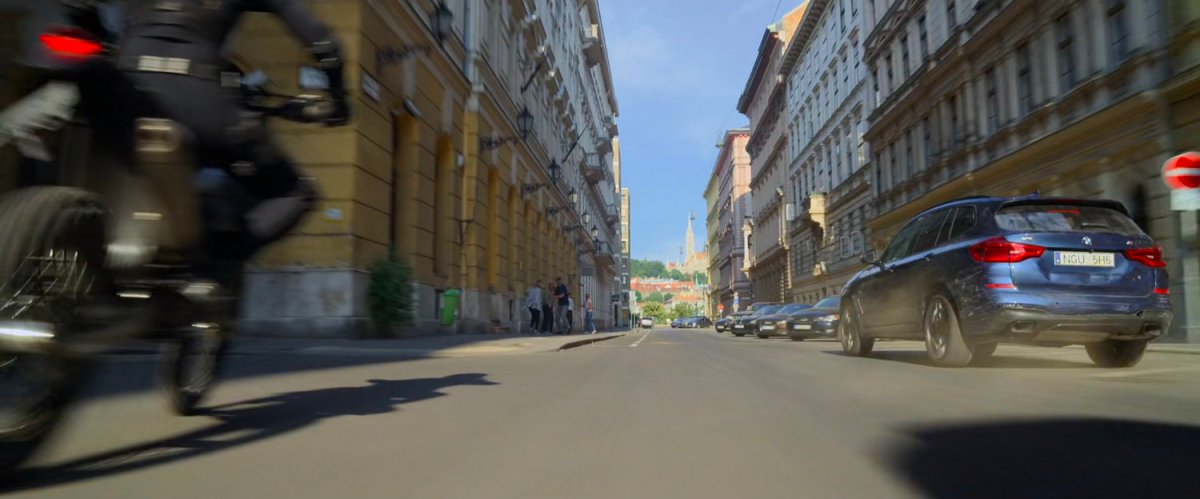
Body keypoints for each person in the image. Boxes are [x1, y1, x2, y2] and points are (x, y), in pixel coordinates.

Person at [61, 0, 351, 263]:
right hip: (199, 99)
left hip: (125, 91)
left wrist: (100, 36)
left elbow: (78, 7)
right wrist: (337, 97)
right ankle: (209, 268)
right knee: (295, 194)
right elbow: (321, 40)